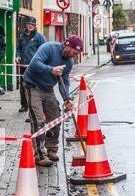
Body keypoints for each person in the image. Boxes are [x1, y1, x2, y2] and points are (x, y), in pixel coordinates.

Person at [22, 35, 84, 167]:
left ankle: (52, 149)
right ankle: (39, 155)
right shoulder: (49, 48)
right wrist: (52, 70)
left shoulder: (69, 62)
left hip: (48, 89)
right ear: (67, 46)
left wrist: (67, 98)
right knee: (38, 121)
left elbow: (65, 81)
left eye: (77, 54)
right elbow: (34, 64)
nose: (74, 56)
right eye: (74, 52)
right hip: (32, 86)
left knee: (56, 118)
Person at [15, 16, 46, 113]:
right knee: (23, 86)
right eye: (29, 24)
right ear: (26, 25)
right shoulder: (22, 35)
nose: (30, 26)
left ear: (35, 26)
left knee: (33, 87)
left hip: (34, 67)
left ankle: (33, 106)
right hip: (23, 65)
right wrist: (17, 56)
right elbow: (18, 48)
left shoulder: (39, 37)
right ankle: (24, 105)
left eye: (32, 24)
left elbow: (44, 51)